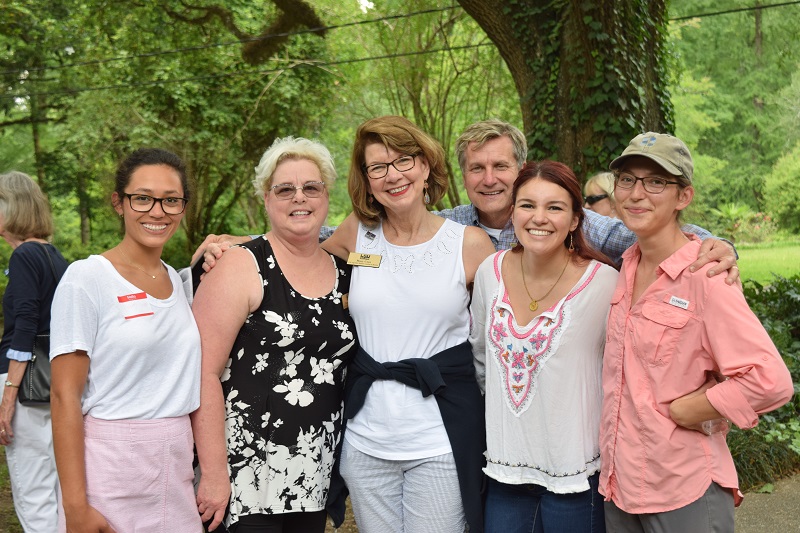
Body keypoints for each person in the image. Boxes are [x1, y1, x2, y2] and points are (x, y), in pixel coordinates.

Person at [198, 120, 740, 282]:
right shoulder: (453, 227)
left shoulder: (576, 227)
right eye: (476, 168)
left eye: (501, 166)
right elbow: (320, 241)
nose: (488, 178)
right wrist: (242, 243)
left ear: (521, 168)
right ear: (459, 175)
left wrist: (717, 247)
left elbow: (646, 238)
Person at [599, 132, 794, 532]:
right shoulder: (624, 266)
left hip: (684, 489)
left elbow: (769, 380)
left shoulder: (706, 277)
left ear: (683, 197)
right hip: (620, 489)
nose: (637, 194)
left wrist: (692, 409)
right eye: (627, 180)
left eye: (656, 182)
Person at [322, 116, 495, 533]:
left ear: (425, 166)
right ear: (366, 179)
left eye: (403, 160)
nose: (392, 175)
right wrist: (237, 246)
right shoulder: (357, 233)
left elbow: (494, 341)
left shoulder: (468, 244)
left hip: (440, 438)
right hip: (366, 440)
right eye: (378, 167)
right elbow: (296, 264)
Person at [190, 137, 358, 533]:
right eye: (285, 189)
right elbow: (201, 372)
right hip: (244, 475)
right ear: (267, 199)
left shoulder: (346, 270)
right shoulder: (239, 265)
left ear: (326, 196)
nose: (299, 198)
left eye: (311, 187)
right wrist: (213, 475)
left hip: (312, 473)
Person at [50, 148, 202, 532]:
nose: (158, 211)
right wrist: (75, 508)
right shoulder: (87, 278)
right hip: (111, 468)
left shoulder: (178, 281)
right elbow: (63, 396)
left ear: (183, 207)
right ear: (119, 203)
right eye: (143, 198)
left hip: (176, 464)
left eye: (171, 200)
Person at [470, 160, 617, 533]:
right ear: (512, 213)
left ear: (574, 220)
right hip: (506, 471)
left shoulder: (605, 283)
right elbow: (481, 359)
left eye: (555, 207)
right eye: (527, 205)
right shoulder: (491, 271)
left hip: (575, 477)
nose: (539, 217)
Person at [0, 171, 68, 531]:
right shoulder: (55, 256)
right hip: (50, 382)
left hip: (24, 383)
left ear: (12, 208)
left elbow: (25, 323)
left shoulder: (26, 254)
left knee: (33, 487)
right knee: (53, 485)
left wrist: (9, 393)